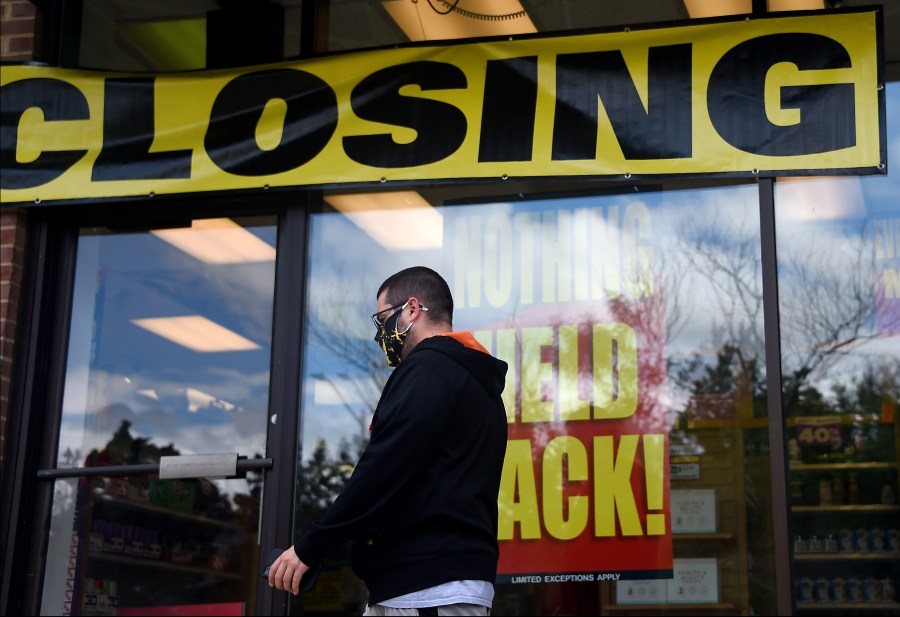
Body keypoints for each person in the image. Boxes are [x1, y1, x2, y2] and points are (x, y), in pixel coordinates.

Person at [268, 266, 509, 616]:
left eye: (384, 320)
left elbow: (384, 467)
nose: (381, 334)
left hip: (427, 587)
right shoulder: (474, 383)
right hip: (430, 584)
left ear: (412, 309)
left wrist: (312, 545)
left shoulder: (428, 370)